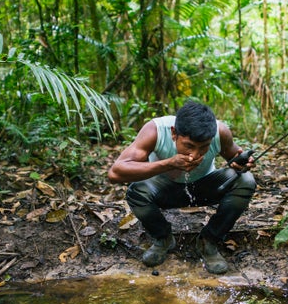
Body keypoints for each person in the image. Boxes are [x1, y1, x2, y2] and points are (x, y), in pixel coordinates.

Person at [107, 101, 257, 274]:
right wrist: (169, 164)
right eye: (189, 146)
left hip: (205, 187)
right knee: (137, 191)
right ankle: (163, 238)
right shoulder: (155, 130)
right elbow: (115, 173)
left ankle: (209, 241)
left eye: (203, 147)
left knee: (245, 180)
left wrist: (242, 164)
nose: (194, 155)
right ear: (173, 133)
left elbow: (236, 158)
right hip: (164, 189)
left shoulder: (220, 132)